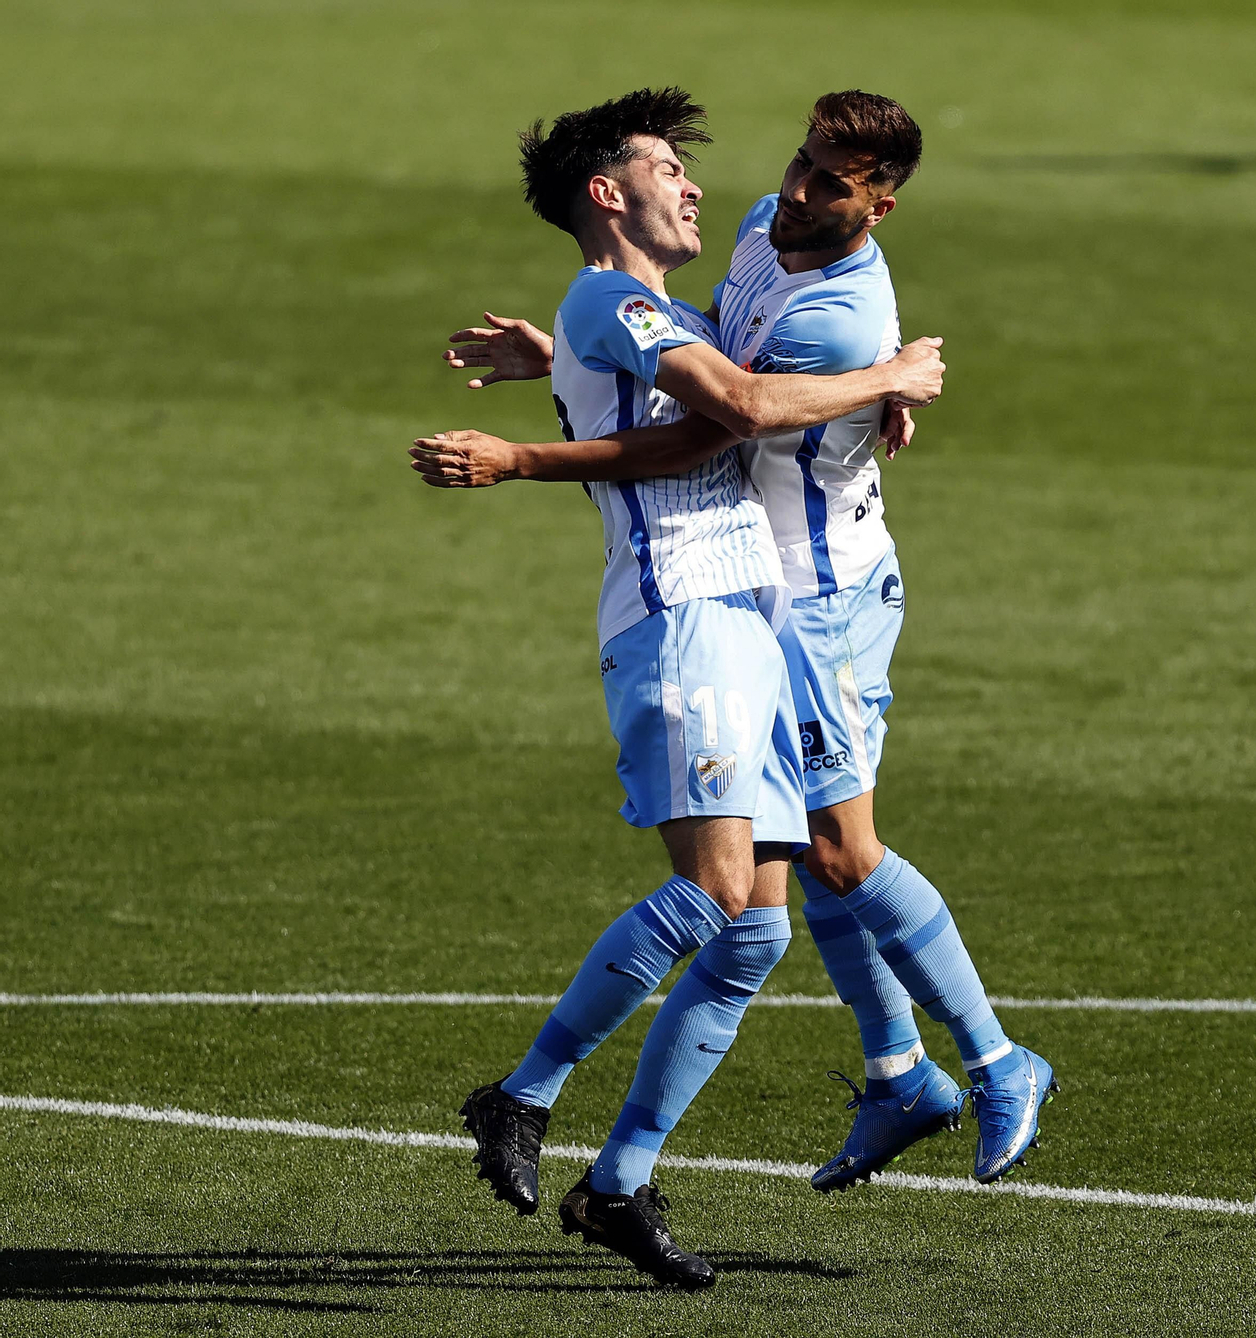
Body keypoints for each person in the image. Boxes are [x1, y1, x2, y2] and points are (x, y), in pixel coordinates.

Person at [421, 92, 1055, 1194]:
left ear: (881, 206)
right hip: (725, 598)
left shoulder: (842, 325)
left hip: (813, 594)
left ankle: (991, 1062)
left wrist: (872, 379)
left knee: (831, 861)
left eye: (832, 184)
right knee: (783, 881)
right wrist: (587, 360)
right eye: (801, 165)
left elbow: (741, 407)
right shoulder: (763, 229)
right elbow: (730, 373)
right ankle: (898, 1072)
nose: (793, 191)